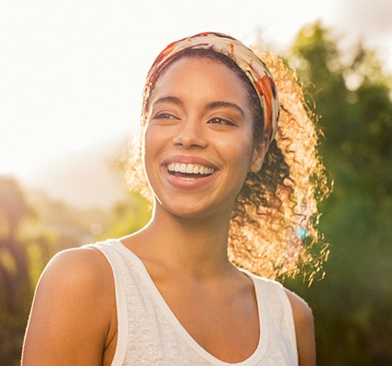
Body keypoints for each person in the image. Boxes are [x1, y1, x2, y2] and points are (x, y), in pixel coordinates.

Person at [21, 32, 329, 366]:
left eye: (220, 120)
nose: (189, 137)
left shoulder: (290, 320)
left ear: (258, 149)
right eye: (167, 114)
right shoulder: (84, 282)